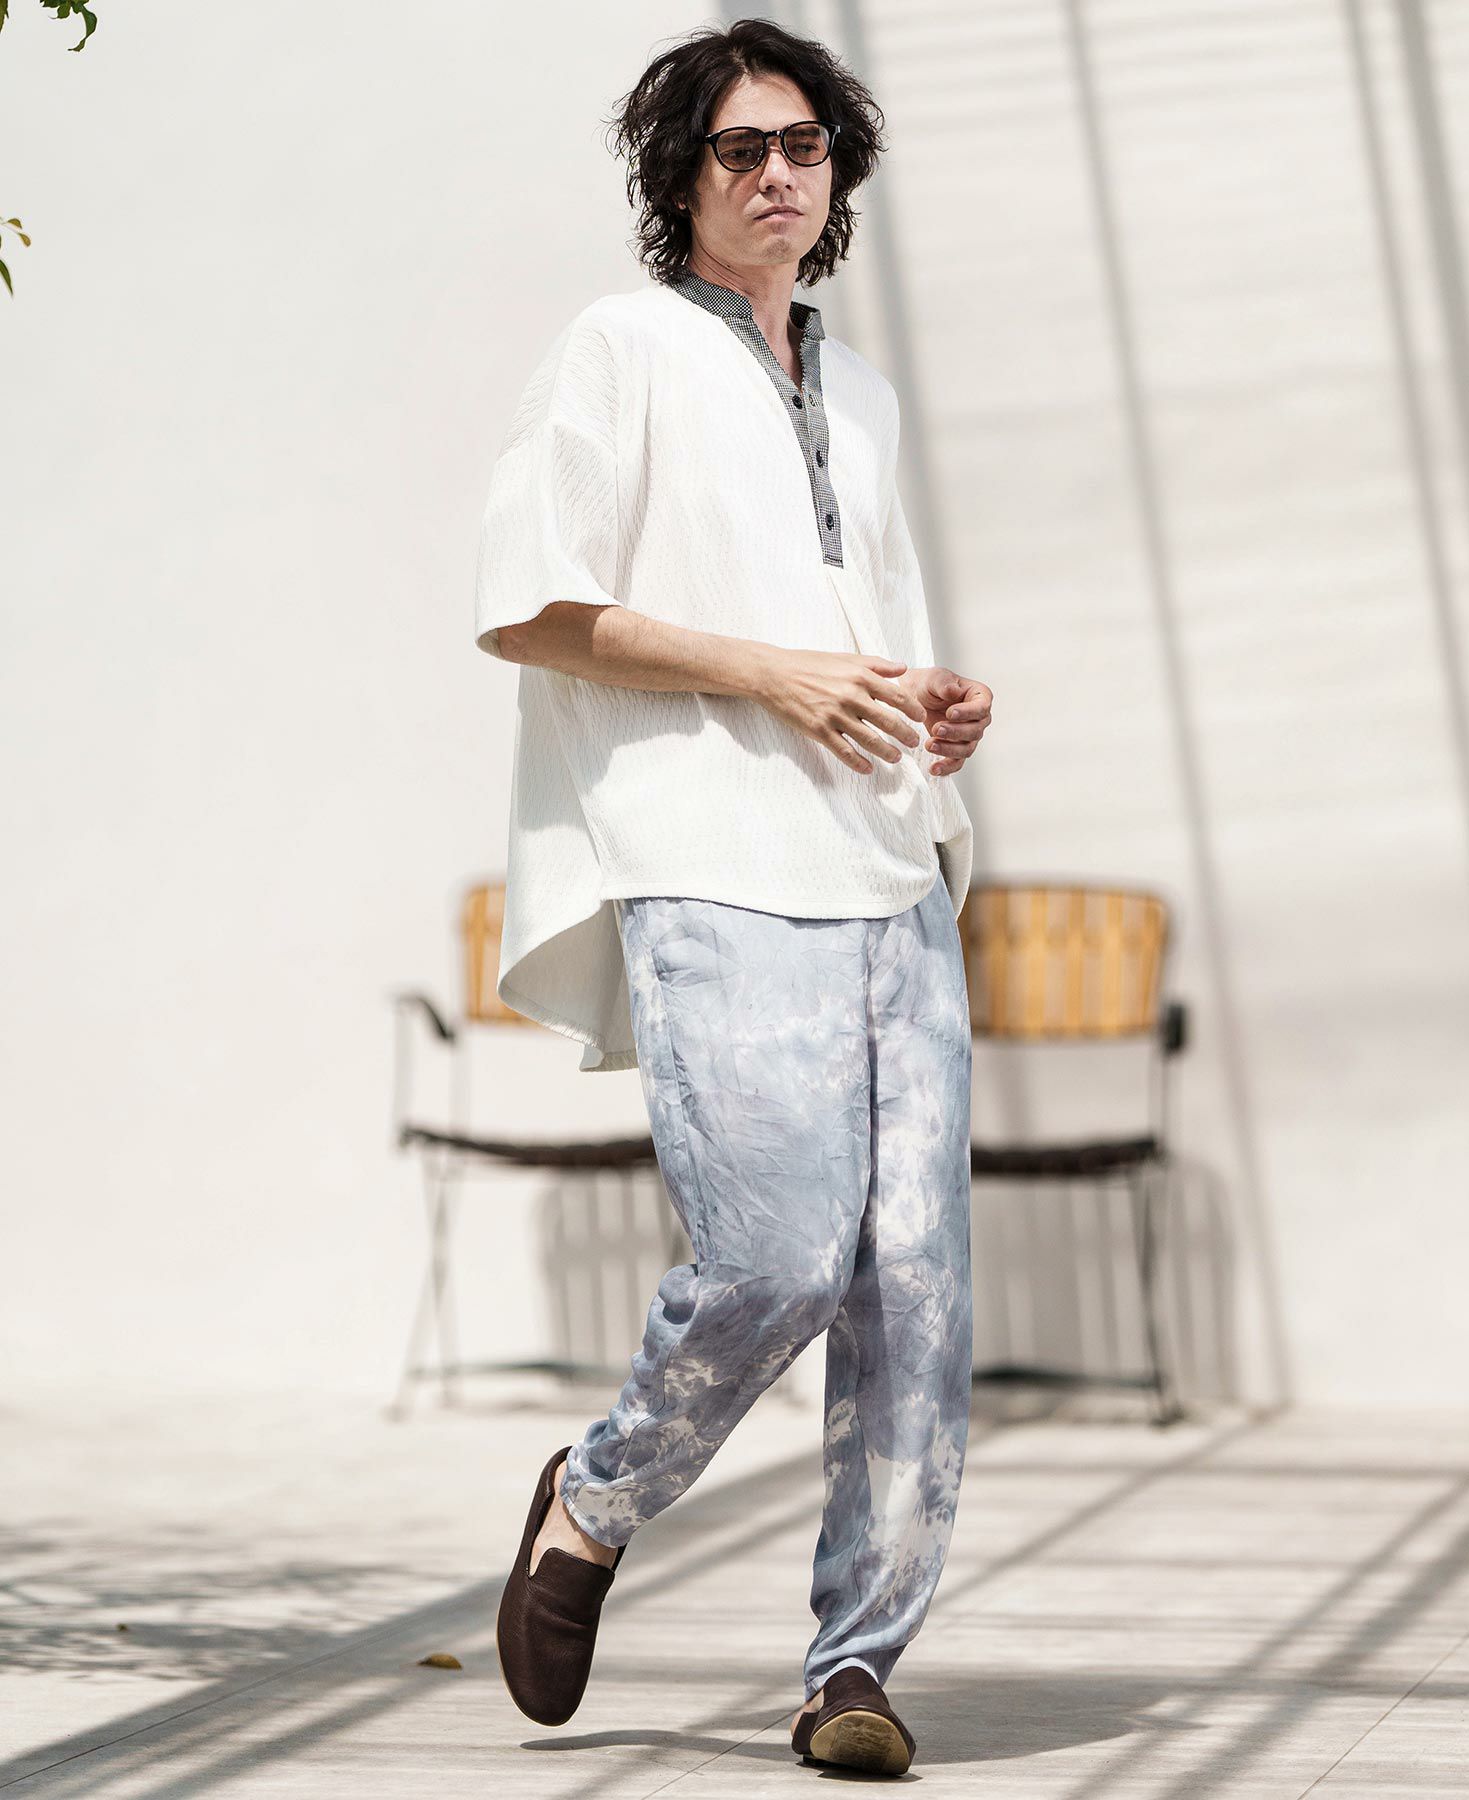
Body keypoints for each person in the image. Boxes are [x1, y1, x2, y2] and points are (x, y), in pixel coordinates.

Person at [477, 18, 993, 1780]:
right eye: (737, 148)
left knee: (915, 1300)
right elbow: (532, 607)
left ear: (838, 168)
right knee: (774, 1255)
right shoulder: (618, 348)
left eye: (803, 145)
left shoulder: (868, 394)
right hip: (711, 862)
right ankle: (593, 1500)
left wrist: (930, 701)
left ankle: (857, 1667)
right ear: (679, 176)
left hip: (890, 872)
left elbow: (866, 629)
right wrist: (773, 676)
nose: (777, 174)